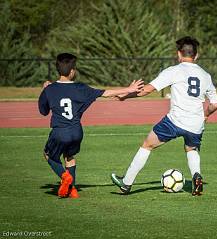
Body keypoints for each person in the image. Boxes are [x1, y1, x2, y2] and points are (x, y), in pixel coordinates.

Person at [111, 36, 217, 196]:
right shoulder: (205, 75)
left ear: (178, 54)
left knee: (147, 145)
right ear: (196, 56)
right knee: (191, 149)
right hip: (196, 124)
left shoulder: (173, 71)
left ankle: (126, 183)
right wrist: (205, 115)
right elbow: (215, 104)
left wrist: (126, 95)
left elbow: (147, 90)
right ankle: (197, 177)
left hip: (174, 121)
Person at [39, 53, 143, 198]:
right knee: (69, 156)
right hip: (76, 132)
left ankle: (65, 177)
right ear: (72, 71)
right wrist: (129, 89)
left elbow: (43, 111)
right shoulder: (81, 88)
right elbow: (106, 93)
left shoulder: (49, 89)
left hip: (59, 131)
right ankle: (72, 190)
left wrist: (44, 90)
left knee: (48, 155)